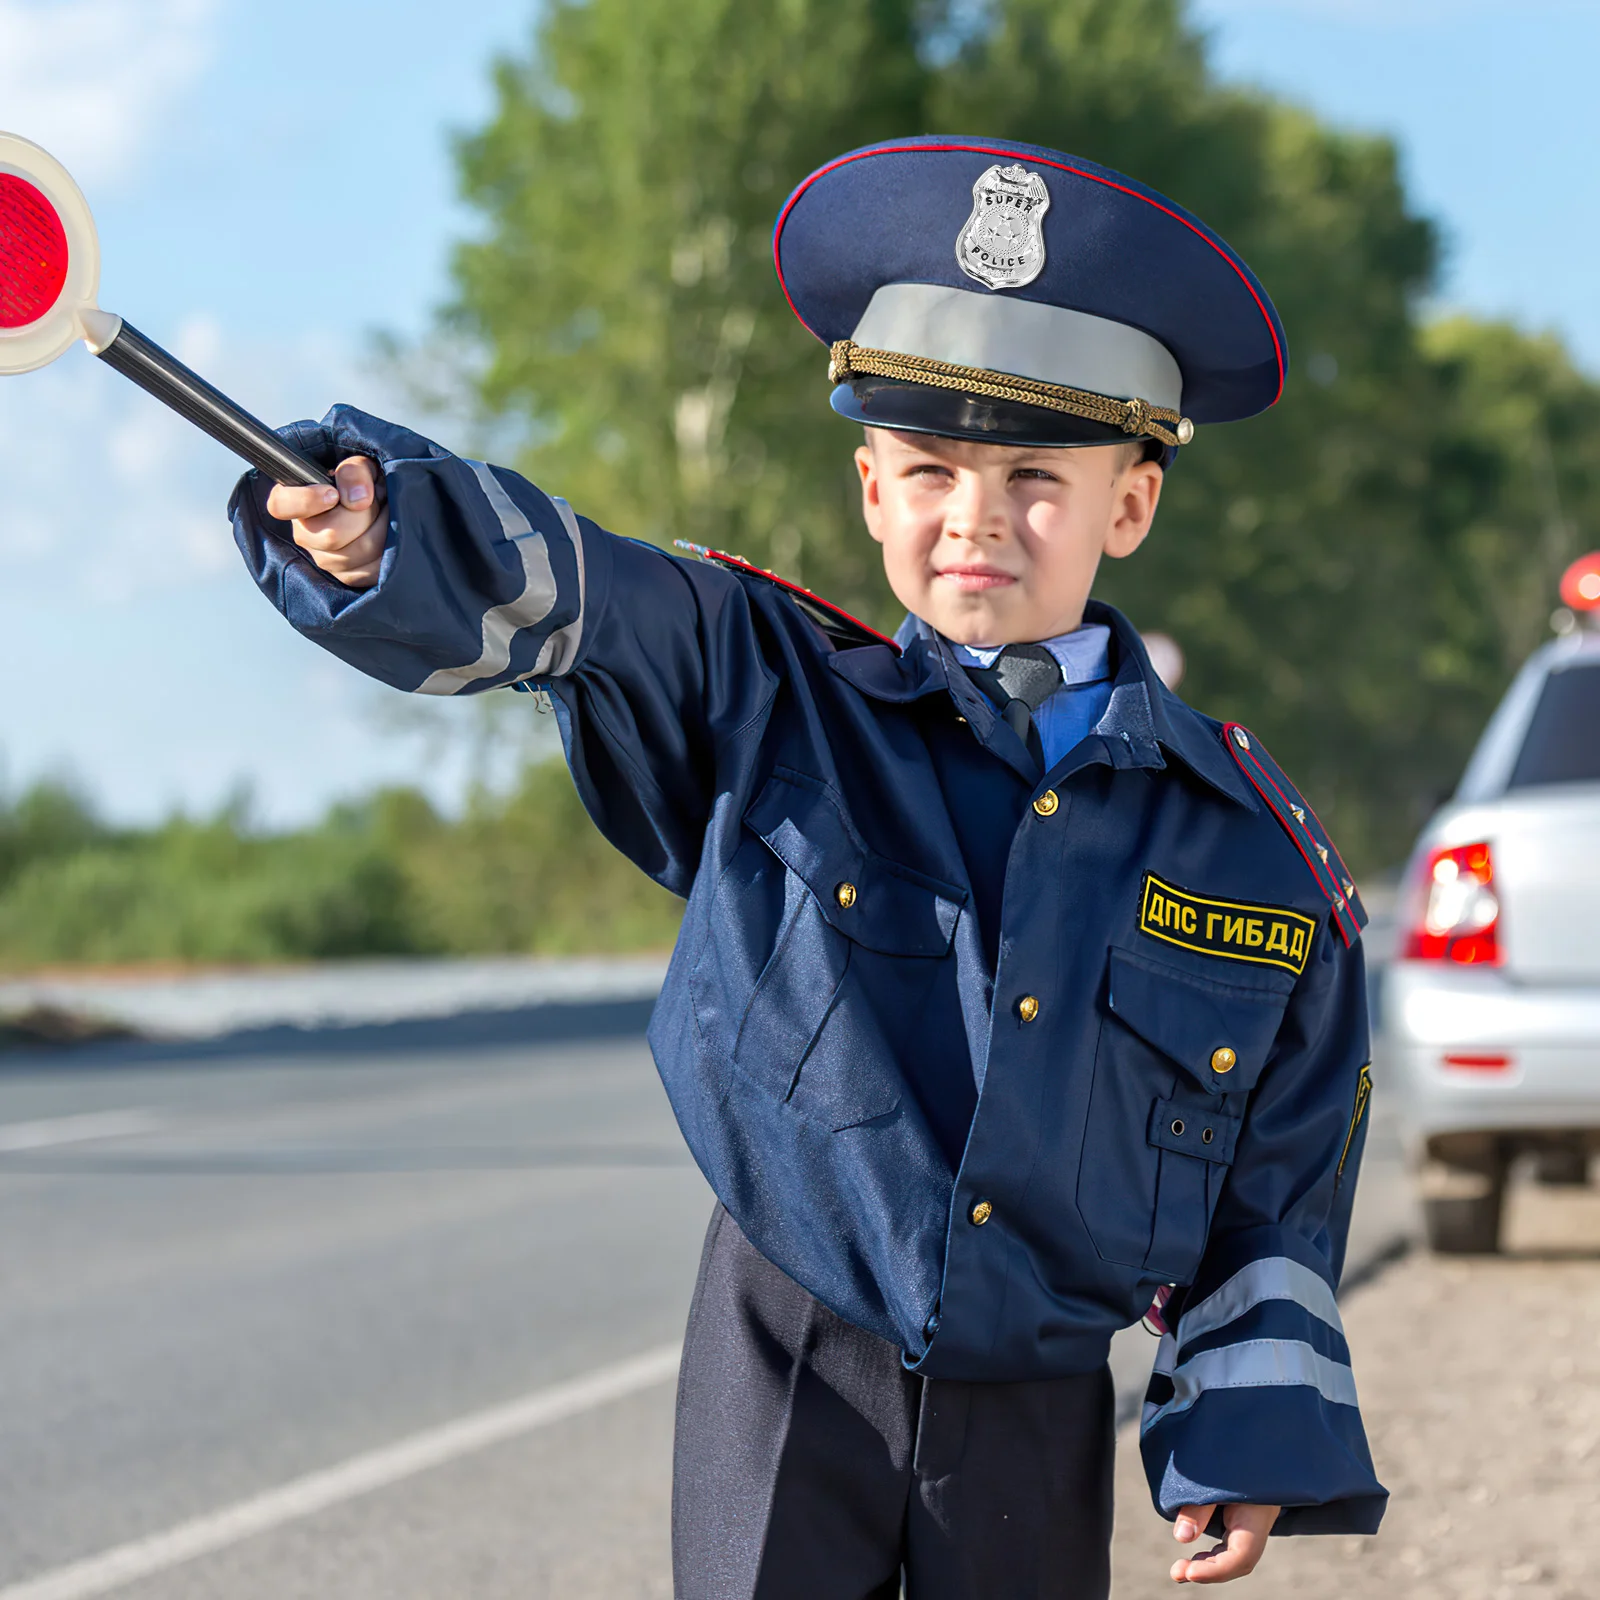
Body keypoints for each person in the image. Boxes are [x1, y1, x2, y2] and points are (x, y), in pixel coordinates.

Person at [230, 136, 1384, 1596]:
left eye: (1037, 474)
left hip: (1034, 1396)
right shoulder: (768, 685)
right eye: (930, 470)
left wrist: (1238, 1437)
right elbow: (589, 596)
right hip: (787, 1357)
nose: (974, 517)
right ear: (868, 489)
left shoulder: (1243, 844)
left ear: (1131, 505)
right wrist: (385, 533)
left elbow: (1279, 1174)